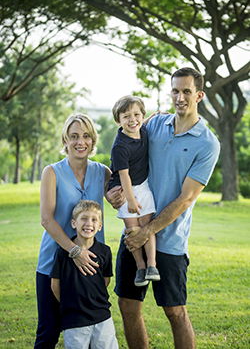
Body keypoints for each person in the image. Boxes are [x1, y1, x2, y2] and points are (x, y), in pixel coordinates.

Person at [107, 67, 221, 349]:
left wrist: (148, 231)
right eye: (175, 91)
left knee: (174, 310)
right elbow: (123, 151)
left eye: (186, 91)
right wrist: (112, 190)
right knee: (127, 304)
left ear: (199, 95)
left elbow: (185, 198)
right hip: (136, 233)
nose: (179, 97)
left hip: (169, 240)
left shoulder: (207, 143)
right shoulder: (154, 124)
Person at [34, 113, 124, 349]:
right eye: (74, 136)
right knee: (48, 332)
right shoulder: (51, 172)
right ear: (65, 140)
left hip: (91, 264)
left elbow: (116, 200)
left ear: (93, 141)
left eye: (85, 136)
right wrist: (75, 251)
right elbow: (46, 219)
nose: (80, 142)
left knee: (91, 332)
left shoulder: (103, 172)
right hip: (54, 263)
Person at [50, 200, 119, 349]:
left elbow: (105, 281)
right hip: (74, 319)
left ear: (100, 226)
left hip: (102, 317)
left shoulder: (105, 252)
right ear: (74, 223)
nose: (89, 223)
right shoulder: (62, 253)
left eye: (94, 220)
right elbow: (55, 285)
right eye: (84, 218)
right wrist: (70, 303)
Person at [108, 95, 160, 287]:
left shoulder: (143, 131)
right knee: (132, 229)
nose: (132, 120)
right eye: (126, 116)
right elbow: (124, 176)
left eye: (136, 115)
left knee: (146, 225)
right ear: (118, 121)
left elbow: (143, 123)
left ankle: (152, 265)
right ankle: (140, 267)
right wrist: (130, 199)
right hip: (124, 189)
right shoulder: (120, 146)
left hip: (143, 185)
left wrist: (153, 116)